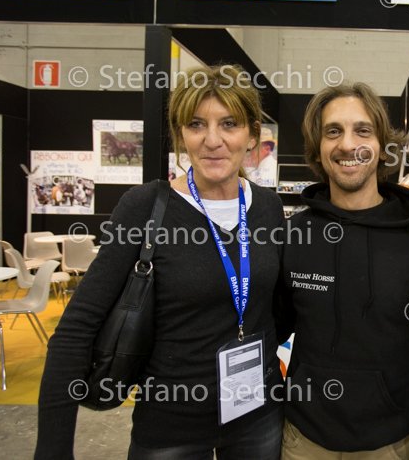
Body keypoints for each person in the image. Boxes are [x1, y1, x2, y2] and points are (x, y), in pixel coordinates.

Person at [36, 65, 286, 459]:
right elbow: (76, 330)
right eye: (196, 124)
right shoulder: (145, 208)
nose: (213, 140)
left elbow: (277, 310)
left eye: (230, 124)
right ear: (181, 134)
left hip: (258, 418)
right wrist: (53, 451)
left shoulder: (267, 207)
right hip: (171, 426)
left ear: (253, 134)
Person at [278, 82, 409, 459]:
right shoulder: (293, 235)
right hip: (305, 440)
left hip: (396, 442)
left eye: (363, 130)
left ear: (382, 145)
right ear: (318, 147)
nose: (348, 145)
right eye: (333, 131)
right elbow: (271, 328)